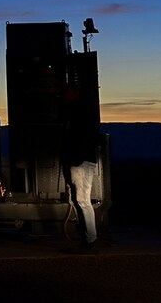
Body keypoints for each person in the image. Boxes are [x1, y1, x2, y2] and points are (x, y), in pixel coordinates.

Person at [60, 83, 101, 252]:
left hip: (80, 161)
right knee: (76, 200)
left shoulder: (82, 111)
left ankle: (89, 240)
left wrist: (77, 157)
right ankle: (86, 239)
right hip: (75, 160)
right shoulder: (75, 110)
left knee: (82, 200)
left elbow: (85, 136)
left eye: (68, 91)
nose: (65, 95)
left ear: (76, 92)